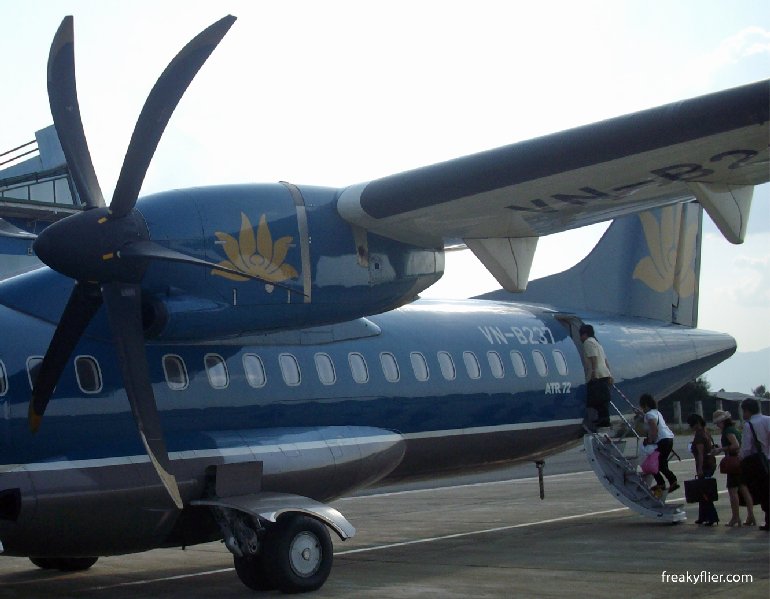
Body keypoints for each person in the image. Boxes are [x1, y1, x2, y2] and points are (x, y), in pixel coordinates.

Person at [711, 409, 756, 527]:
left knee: (733, 491)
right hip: (741, 461)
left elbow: (735, 445)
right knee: (744, 489)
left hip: (733, 462)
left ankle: (736, 517)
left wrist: (721, 449)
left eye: (718, 423)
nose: (717, 425)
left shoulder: (728, 431)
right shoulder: (733, 429)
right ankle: (750, 516)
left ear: (723, 421)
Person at [738, 398, 770, 532]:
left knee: (764, 492)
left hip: (760, 463)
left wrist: (741, 460)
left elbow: (746, 448)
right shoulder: (768, 419)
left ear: (747, 410)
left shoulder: (749, 425)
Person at [639, 394, 679, 494]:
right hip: (668, 439)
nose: (642, 409)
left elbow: (654, 429)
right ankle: (666, 482)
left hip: (662, 440)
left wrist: (650, 441)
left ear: (646, 406)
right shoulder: (656, 412)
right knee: (661, 463)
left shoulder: (649, 415)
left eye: (642, 407)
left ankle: (669, 481)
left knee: (654, 463)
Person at [687, 413, 718, 526]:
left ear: (697, 423)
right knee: (702, 490)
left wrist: (699, 469)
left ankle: (711, 516)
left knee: (705, 492)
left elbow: (700, 454)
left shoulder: (699, 436)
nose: (691, 427)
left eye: (692, 424)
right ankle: (703, 516)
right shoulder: (706, 432)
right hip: (711, 463)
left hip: (704, 465)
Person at [579, 324, 612, 430]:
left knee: (596, 399)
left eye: (581, 335)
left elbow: (593, 357)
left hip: (597, 375)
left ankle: (602, 421)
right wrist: (609, 374)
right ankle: (603, 419)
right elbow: (606, 361)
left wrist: (593, 372)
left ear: (585, 334)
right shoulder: (597, 343)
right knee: (602, 400)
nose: (580, 338)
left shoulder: (588, 342)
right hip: (604, 373)